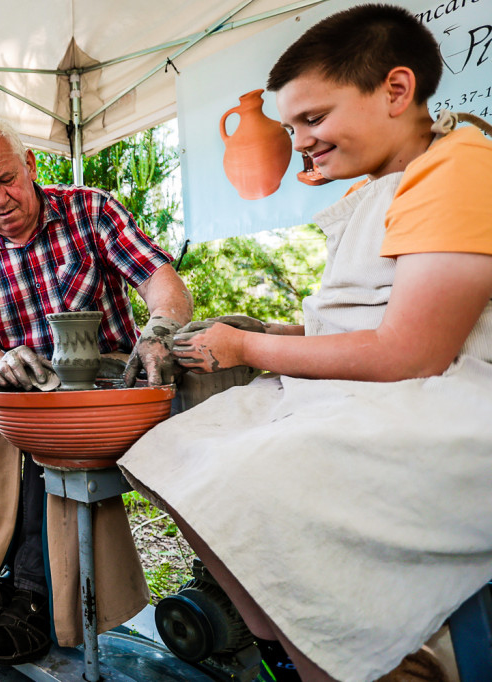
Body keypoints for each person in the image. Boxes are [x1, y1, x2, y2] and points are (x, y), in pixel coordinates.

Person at [118, 5, 492, 681]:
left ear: (396, 92)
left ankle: (345, 659)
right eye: (291, 128)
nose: (302, 145)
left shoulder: (461, 166)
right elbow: (360, 322)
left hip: (448, 398)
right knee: (163, 453)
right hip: (373, 383)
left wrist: (251, 350)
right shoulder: (387, 182)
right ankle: (287, 643)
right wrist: (266, 331)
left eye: (313, 120)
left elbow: (413, 351)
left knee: (248, 478)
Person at [0, 116, 193, 664]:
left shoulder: (89, 210)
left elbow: (159, 279)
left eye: (6, 180)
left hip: (108, 371)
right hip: (24, 378)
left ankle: (31, 594)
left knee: (51, 429)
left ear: (30, 166)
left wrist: (161, 329)